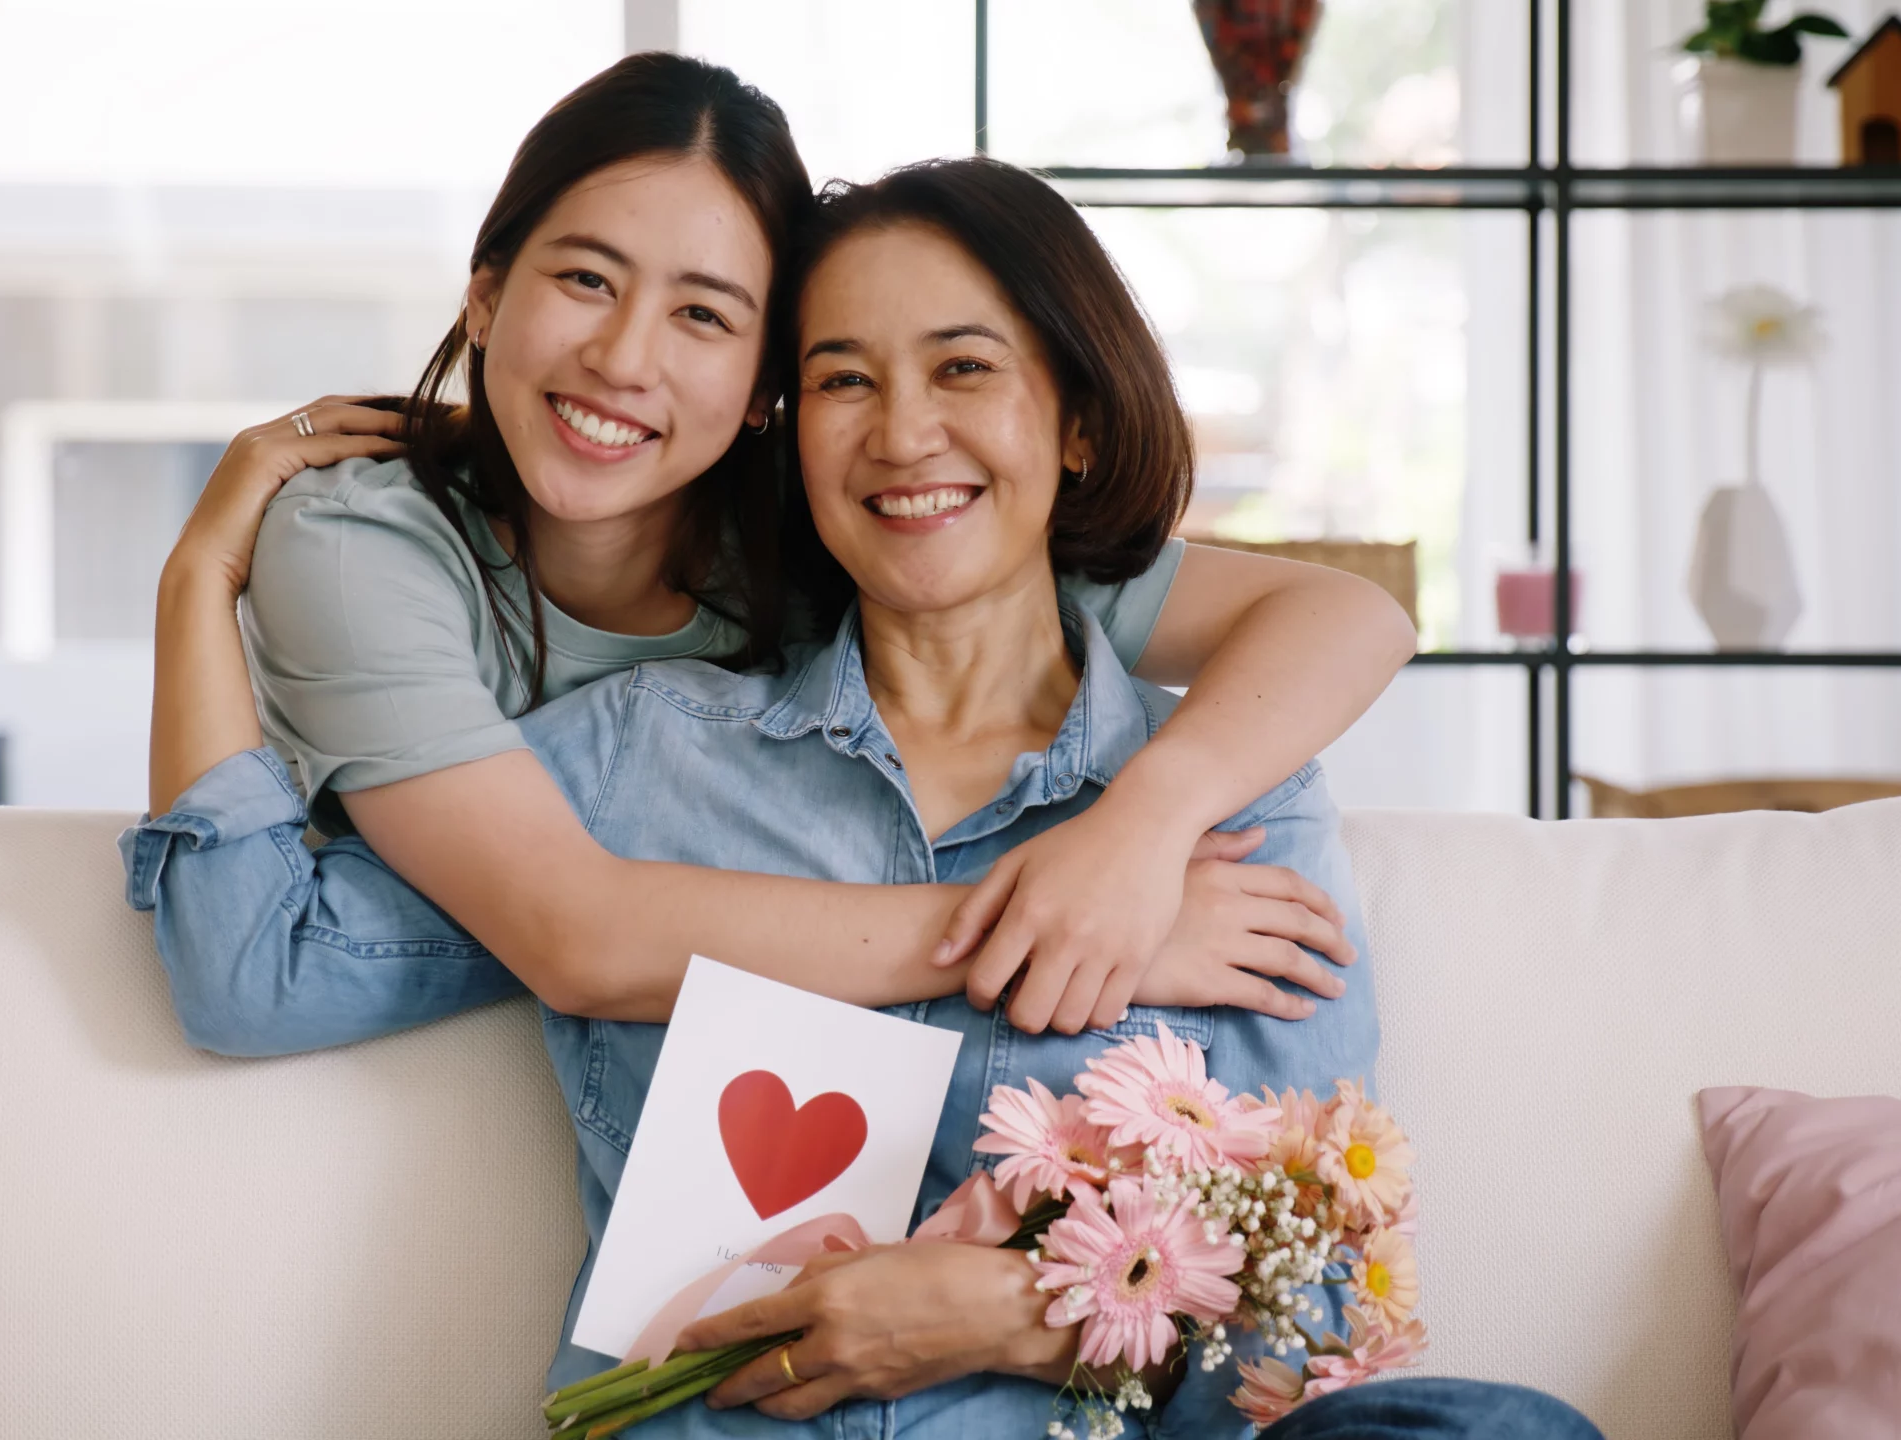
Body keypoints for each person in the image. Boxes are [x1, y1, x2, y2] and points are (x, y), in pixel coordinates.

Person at [124, 156, 1600, 1440]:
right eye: (844, 380)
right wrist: (198, 579)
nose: (902, 435)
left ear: (1075, 425)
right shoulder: (639, 762)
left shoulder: (1236, 804)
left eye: (964, 368)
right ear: (786, 429)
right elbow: (264, 970)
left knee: (1495, 1430)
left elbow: (1315, 1313)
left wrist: (1019, 1312)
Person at [143, 51, 1417, 1040]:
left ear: (765, 384)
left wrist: (1135, 836)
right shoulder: (367, 543)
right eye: (585, 279)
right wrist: (199, 574)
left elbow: (1349, 618)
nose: (624, 358)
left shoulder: (845, 511)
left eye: (704, 314)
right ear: (486, 294)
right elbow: (554, 938)